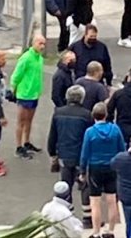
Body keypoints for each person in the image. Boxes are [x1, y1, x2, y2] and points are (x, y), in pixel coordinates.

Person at [47, 85, 94, 228]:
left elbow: (52, 135)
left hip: (64, 154)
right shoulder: (87, 115)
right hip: (81, 155)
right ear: (82, 98)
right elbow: (90, 137)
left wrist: (52, 153)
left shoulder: (58, 113)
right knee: (85, 185)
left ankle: (68, 215)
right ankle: (87, 217)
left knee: (66, 184)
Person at [79, 102, 125, 238]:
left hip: (95, 168)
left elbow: (85, 153)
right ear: (106, 115)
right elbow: (121, 149)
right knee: (112, 200)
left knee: (95, 201)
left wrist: (82, 171)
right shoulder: (115, 129)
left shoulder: (90, 132)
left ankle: (96, 232)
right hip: (111, 167)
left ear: (93, 115)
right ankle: (110, 231)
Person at [10, 35, 46, 159]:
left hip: (34, 94)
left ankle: (27, 142)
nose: (42, 46)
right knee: (21, 121)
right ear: (33, 43)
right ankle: (18, 147)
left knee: (29, 121)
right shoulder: (26, 58)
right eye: (40, 43)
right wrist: (13, 90)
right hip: (24, 94)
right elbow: (16, 75)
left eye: (43, 44)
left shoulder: (39, 58)